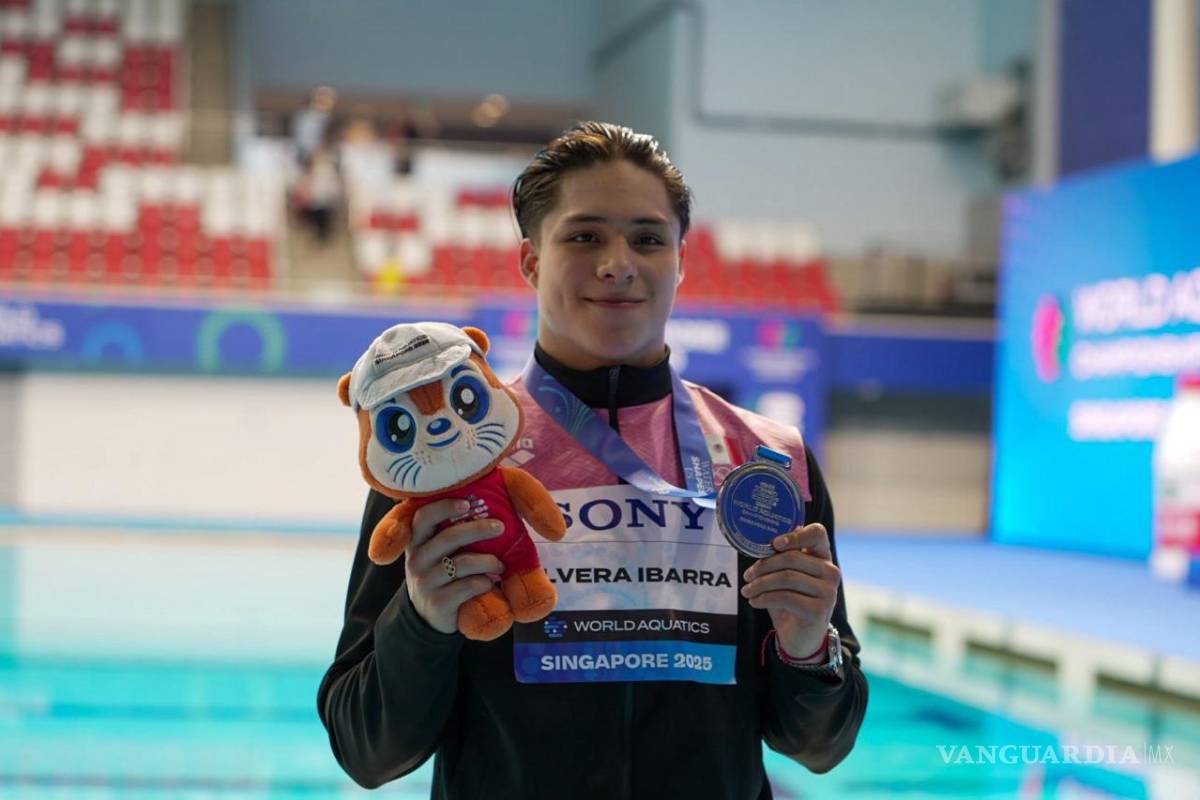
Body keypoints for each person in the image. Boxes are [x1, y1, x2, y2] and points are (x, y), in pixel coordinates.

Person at [318, 121, 868, 799]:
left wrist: (810, 649)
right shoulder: (448, 460)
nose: (618, 263)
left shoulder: (767, 464)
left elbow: (818, 747)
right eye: (584, 236)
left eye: (647, 238)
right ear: (530, 261)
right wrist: (422, 622)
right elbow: (367, 753)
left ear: (680, 259)